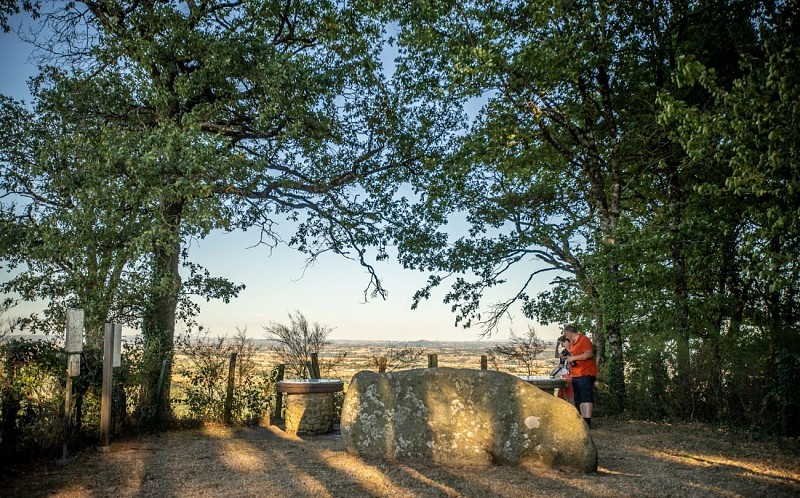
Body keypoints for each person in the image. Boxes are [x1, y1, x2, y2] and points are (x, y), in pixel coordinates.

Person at [562, 323, 598, 428]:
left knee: (586, 397)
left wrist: (573, 358)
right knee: (579, 398)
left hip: (585, 373)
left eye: (566, 336)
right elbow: (574, 356)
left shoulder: (584, 340)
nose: (566, 338)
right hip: (575, 374)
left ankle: (587, 422)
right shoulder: (572, 344)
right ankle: (582, 421)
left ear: (570, 333)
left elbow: (588, 354)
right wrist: (569, 360)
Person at [551, 335, 574, 403]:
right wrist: (557, 346)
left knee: (569, 395)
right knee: (561, 395)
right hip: (564, 374)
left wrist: (564, 358)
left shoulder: (572, 351)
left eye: (562, 343)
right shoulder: (565, 351)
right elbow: (556, 355)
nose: (561, 345)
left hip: (568, 374)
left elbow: (572, 363)